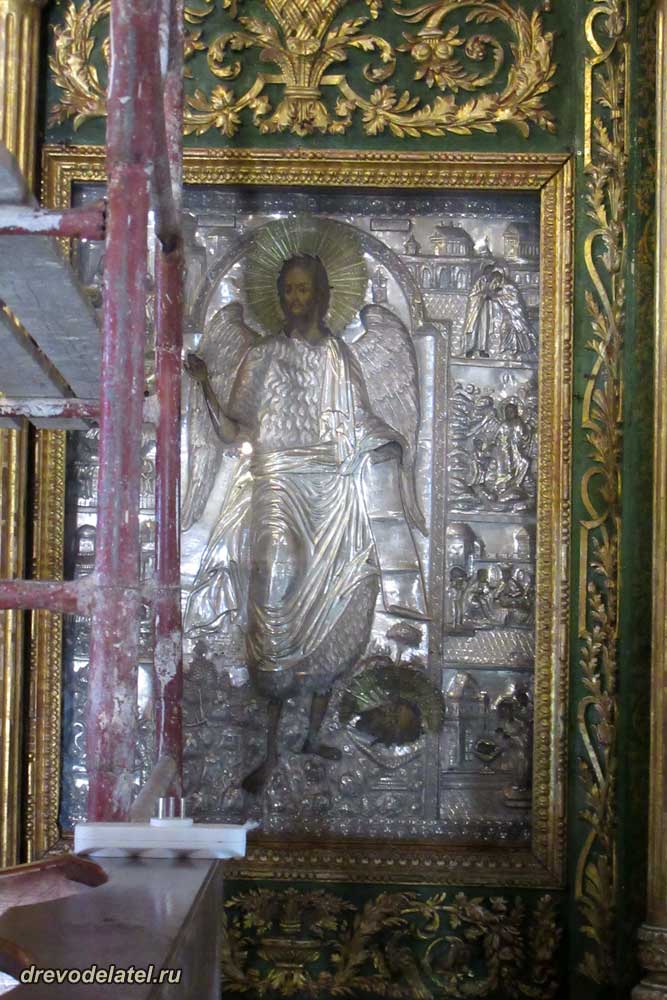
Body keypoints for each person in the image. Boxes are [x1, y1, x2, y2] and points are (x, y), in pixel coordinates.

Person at [184, 254, 416, 793]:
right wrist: (205, 386)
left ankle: (311, 735)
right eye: (288, 289)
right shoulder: (262, 355)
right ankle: (267, 749)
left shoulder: (338, 355)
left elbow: (358, 420)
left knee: (338, 598)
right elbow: (234, 431)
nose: (295, 299)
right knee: (274, 593)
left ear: (323, 295)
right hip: (278, 486)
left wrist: (387, 441)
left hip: (332, 493)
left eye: (304, 289)